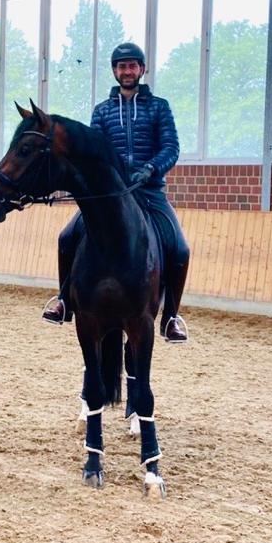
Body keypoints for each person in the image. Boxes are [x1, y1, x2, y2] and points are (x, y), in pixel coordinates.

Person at [41, 42, 190, 342]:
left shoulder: (159, 107)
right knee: (67, 237)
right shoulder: (103, 111)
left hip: (149, 191)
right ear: (114, 71)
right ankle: (64, 301)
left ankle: (171, 316)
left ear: (142, 69)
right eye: (122, 66)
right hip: (111, 195)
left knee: (179, 247)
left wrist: (150, 168)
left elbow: (171, 147)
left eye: (133, 65)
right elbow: (96, 151)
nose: (127, 71)